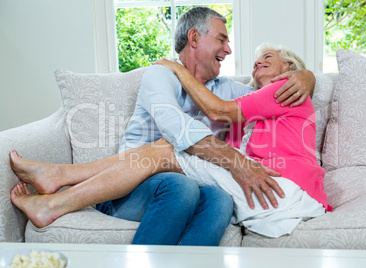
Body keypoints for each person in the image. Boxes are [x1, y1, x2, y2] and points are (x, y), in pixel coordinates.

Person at [9, 7, 316, 245]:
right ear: (194, 38)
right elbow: (175, 128)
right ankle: (56, 198)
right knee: (178, 185)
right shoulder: (160, 76)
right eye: (221, 39)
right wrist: (235, 161)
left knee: (220, 199)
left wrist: (305, 76)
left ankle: (59, 177)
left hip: (194, 182)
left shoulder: (225, 88)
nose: (228, 50)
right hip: (129, 186)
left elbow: (268, 101)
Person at [152, 42, 332, 237]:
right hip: (265, 186)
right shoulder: (245, 110)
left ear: (288, 65)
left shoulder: (286, 89)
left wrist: (177, 68)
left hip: (287, 185)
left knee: (166, 152)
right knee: (213, 200)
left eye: (268, 57)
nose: (258, 62)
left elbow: (216, 110)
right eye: (256, 61)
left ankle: (115, 195)